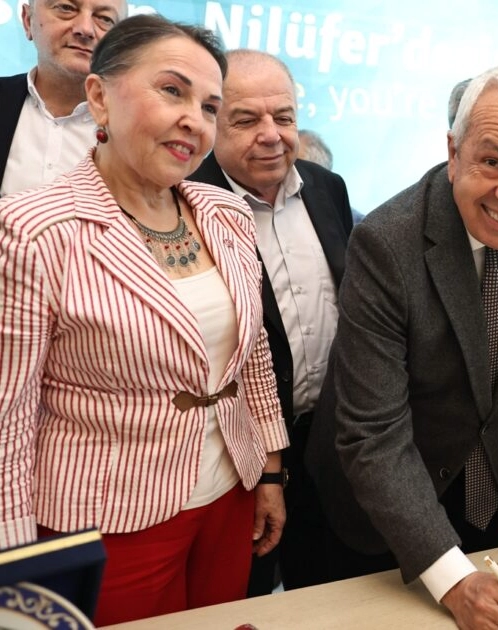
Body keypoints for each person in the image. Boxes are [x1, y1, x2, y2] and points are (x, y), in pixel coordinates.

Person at [0, 14, 289, 625]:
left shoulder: (226, 214)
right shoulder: (34, 230)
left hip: (228, 497)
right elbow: (9, 415)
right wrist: (16, 560)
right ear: (100, 96)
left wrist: (269, 469)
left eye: (210, 107)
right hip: (105, 520)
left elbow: (254, 354)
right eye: (172, 90)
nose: (194, 120)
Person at [306, 64, 498, 629]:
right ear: (453, 152)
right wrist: (452, 579)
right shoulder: (386, 242)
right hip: (382, 514)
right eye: (492, 162)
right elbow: (373, 432)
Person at [189, 49, 354, 596]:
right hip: (239, 459)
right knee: (248, 595)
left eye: (283, 117)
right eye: (246, 119)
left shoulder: (328, 188)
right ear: (212, 120)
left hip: (331, 443)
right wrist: (267, 470)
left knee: (330, 592)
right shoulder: (186, 200)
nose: (272, 135)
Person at [0, 0, 127, 196]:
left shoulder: (139, 130)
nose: (85, 29)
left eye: (104, 18)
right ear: (27, 20)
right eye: (66, 8)